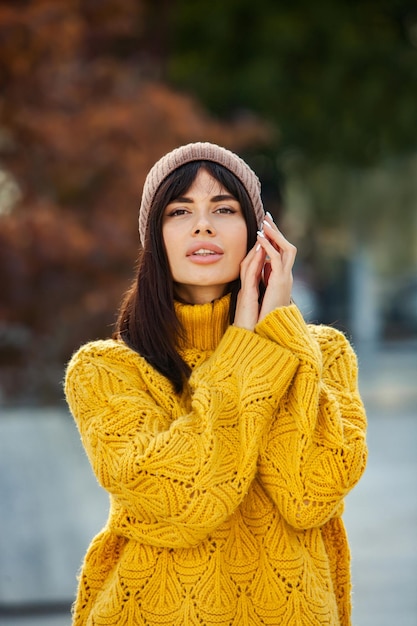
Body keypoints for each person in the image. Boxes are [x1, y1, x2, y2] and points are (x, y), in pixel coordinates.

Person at [65, 142, 367, 626]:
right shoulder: (107, 370)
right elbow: (182, 501)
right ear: (154, 240)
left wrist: (278, 333)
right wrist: (246, 345)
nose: (202, 224)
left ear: (258, 231)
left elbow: (310, 493)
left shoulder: (323, 354)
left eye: (223, 208)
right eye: (179, 210)